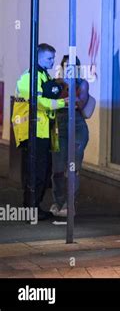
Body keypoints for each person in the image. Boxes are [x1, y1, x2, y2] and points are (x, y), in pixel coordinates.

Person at [11, 43, 68, 220]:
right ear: (39, 58)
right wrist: (63, 103)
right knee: (35, 171)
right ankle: (30, 209)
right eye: (49, 58)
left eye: (53, 58)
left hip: (41, 131)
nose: (53, 62)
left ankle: (34, 206)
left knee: (40, 171)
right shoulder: (30, 77)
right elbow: (40, 102)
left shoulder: (42, 76)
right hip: (32, 131)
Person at [49, 55, 90, 217]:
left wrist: (70, 87)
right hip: (60, 124)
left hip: (77, 126)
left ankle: (69, 204)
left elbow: (81, 103)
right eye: (67, 66)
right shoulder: (56, 83)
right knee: (58, 169)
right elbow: (49, 102)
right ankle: (58, 202)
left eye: (73, 66)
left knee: (72, 168)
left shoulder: (82, 84)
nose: (70, 70)